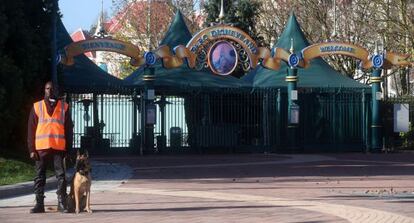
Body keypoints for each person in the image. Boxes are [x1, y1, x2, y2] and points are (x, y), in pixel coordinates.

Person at [27, 81, 73, 213]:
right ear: (44, 90)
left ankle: (61, 203)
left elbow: (69, 130)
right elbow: (31, 129)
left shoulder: (64, 107)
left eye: (52, 89)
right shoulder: (37, 107)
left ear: (56, 90)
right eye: (47, 89)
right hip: (41, 148)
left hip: (59, 148)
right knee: (39, 176)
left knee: (61, 176)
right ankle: (39, 204)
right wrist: (31, 149)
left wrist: (69, 150)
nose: (50, 91)